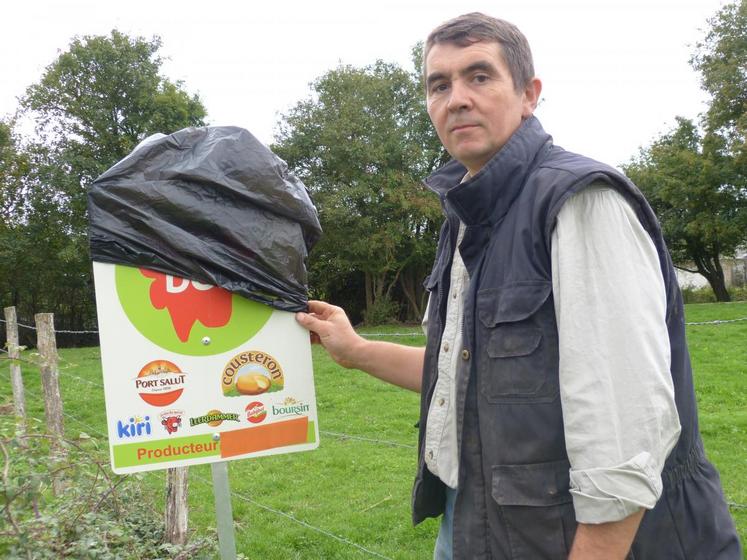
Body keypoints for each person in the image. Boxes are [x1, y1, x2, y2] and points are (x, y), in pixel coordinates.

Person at [295, 12, 742, 560]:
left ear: (529, 94)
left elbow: (629, 429)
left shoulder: (579, 201)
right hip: (479, 523)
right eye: (439, 85)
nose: (456, 97)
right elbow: (467, 376)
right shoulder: (465, 217)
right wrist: (357, 351)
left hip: (587, 539)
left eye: (478, 76)